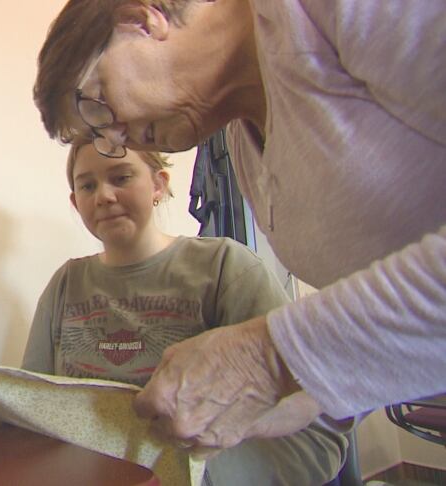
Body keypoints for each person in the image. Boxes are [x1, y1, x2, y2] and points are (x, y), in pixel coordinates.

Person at [32, 0, 446, 452]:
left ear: (140, 19)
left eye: (98, 107)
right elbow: (388, 310)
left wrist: (271, 356)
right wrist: (302, 397)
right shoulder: (243, 146)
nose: (114, 140)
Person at [22, 143, 346, 485]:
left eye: (121, 177)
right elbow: (31, 409)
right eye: (87, 185)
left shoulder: (226, 268)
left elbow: (314, 433)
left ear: (158, 185)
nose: (103, 195)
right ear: (76, 201)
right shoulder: (64, 284)